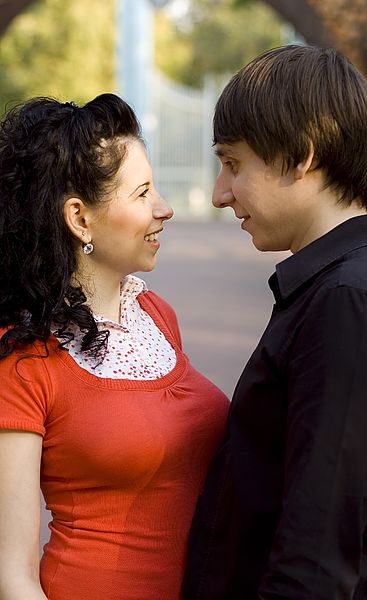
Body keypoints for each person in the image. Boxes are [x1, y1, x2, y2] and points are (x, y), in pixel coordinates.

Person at [182, 44, 367, 600]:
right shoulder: (341, 287)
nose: (220, 193)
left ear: (301, 156)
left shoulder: (348, 302)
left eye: (233, 163)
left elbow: (315, 558)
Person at [0, 93, 229, 600]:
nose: (165, 209)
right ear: (80, 219)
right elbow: (10, 576)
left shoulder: (157, 317)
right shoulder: (21, 358)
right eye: (143, 193)